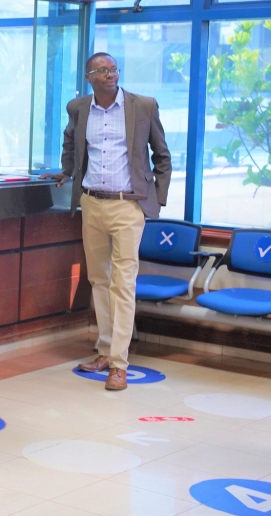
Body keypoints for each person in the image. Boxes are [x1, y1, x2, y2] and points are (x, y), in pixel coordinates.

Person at [41, 52, 171, 391]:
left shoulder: (143, 106)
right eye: (102, 70)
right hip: (92, 204)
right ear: (89, 77)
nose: (110, 74)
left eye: (113, 69)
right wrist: (67, 170)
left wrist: (156, 199)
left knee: (123, 283)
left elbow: (162, 156)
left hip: (129, 206)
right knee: (99, 279)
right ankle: (104, 348)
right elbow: (71, 141)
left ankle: (119, 364)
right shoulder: (79, 108)